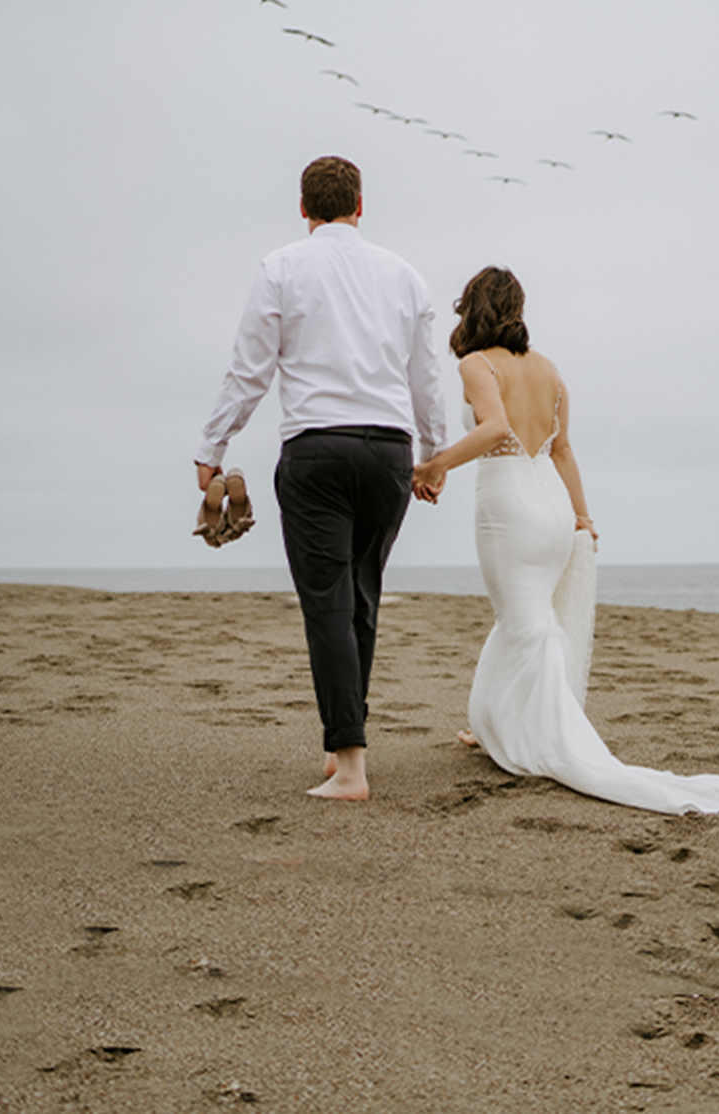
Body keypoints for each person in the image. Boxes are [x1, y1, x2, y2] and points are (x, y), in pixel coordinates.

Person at [411, 267, 719, 815]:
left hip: (509, 507)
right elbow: (562, 450)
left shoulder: (476, 363)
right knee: (525, 617)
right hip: (554, 511)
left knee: (524, 620)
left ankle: (543, 736)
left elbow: (493, 429)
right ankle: (491, 723)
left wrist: (433, 465)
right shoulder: (550, 371)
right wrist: (582, 516)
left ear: (472, 309)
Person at [196, 156, 447, 801]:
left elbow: (250, 369)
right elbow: (425, 379)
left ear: (303, 210)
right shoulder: (405, 276)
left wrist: (213, 445)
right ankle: (344, 748)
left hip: (315, 450)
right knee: (362, 597)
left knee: (328, 605)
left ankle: (351, 762)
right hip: (388, 452)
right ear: (360, 206)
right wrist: (434, 454)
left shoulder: (282, 266)